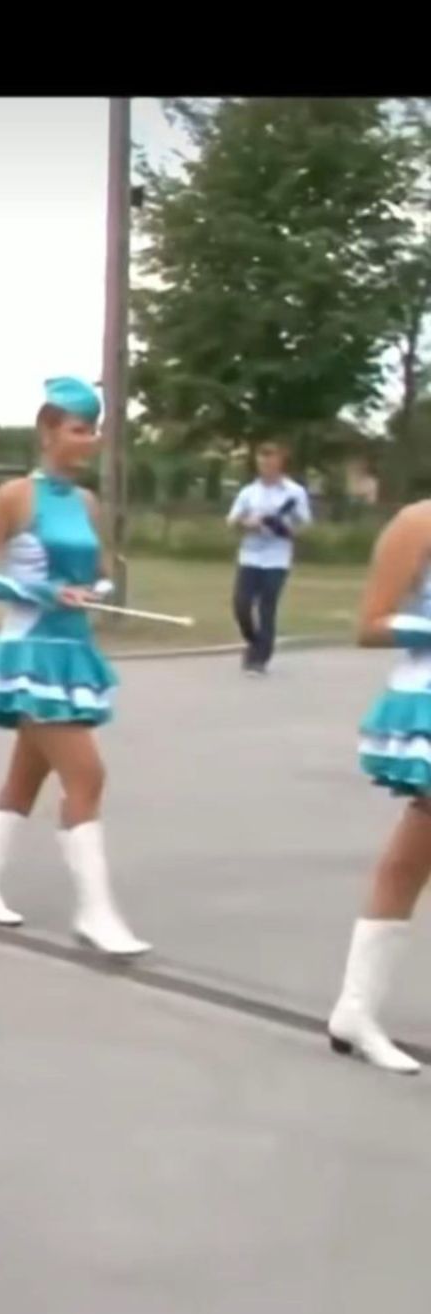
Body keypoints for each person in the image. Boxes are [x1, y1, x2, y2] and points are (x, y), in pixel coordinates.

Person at [0, 377, 147, 955]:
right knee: (87, 775)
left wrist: (95, 591)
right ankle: (95, 912)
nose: (90, 440)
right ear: (47, 432)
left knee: (25, 778)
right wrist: (40, 591)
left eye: (94, 430)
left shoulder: (85, 502)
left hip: (72, 652)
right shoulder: (14, 497)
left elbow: (100, 572)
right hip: (29, 651)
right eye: (79, 430)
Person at [334, 497, 431, 1073]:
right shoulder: (418, 523)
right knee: (410, 857)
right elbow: (370, 625)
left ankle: (355, 1009)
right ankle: (355, 1009)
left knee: (412, 856)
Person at [227, 440, 312, 676]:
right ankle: (254, 642)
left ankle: (259, 659)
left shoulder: (294, 492)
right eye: (262, 462)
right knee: (241, 605)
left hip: (277, 558)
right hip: (250, 555)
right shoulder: (249, 492)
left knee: (267, 606)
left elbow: (305, 524)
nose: (266, 467)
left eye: (271, 461)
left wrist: (288, 530)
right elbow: (232, 521)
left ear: (280, 463)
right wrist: (248, 523)